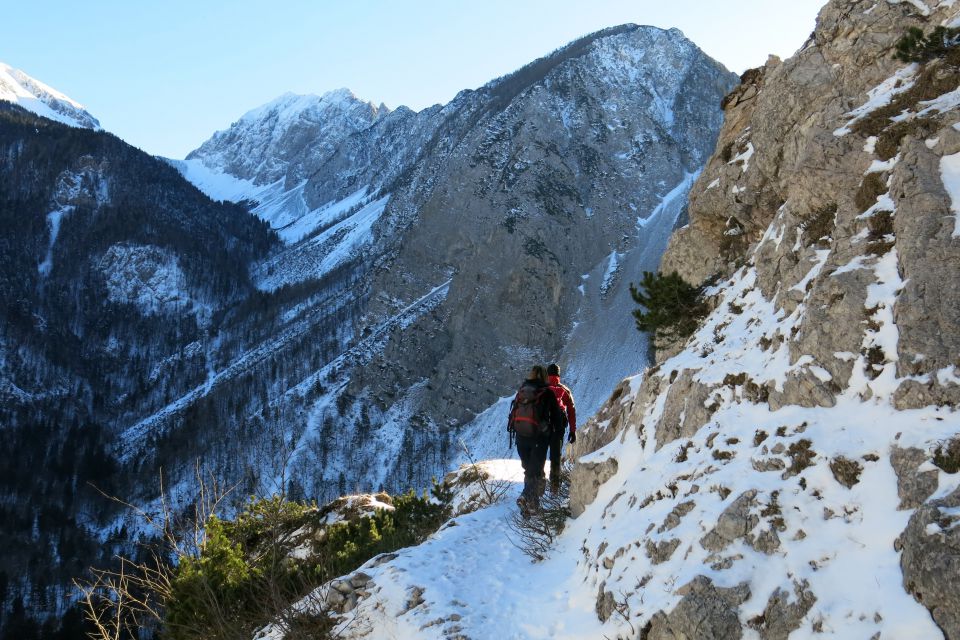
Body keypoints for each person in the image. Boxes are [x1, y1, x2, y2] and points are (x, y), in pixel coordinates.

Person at [507, 364, 564, 514]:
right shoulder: (548, 393)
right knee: (536, 471)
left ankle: (532, 507)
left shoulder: (522, 390)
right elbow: (557, 419)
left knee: (529, 471)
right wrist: (557, 434)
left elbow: (513, 413)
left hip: (520, 437)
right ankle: (525, 497)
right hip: (538, 439)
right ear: (544, 376)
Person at [544, 363, 576, 492]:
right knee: (555, 457)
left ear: (547, 375)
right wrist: (573, 430)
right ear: (559, 375)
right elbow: (571, 410)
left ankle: (537, 488)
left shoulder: (541, 388)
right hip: (558, 427)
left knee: (539, 456)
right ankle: (554, 488)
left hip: (542, 428)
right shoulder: (564, 390)